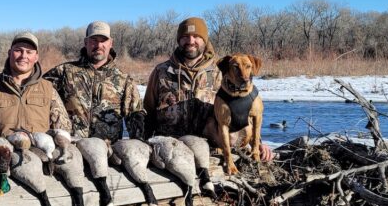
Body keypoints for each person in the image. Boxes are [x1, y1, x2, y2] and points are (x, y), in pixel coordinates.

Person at [143, 17, 273, 161]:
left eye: (196, 37)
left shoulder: (223, 72)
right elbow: (148, 111)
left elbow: (244, 112)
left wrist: (258, 143)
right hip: (169, 150)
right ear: (179, 40)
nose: (191, 41)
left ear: (204, 40)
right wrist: (145, 143)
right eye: (185, 37)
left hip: (210, 150)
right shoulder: (161, 71)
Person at [43, 21, 145, 142]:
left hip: (108, 153)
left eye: (103, 40)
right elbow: (38, 93)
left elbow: (137, 119)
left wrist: (137, 147)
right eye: (94, 40)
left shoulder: (124, 80)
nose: (99, 45)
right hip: (71, 148)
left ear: (110, 43)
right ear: (86, 42)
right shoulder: (64, 72)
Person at [0, 32, 71, 140]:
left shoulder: (49, 90)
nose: (23, 56)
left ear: (36, 57)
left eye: (29, 52)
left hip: (41, 154)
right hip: (2, 154)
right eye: (18, 50)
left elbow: (63, 129)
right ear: (9, 53)